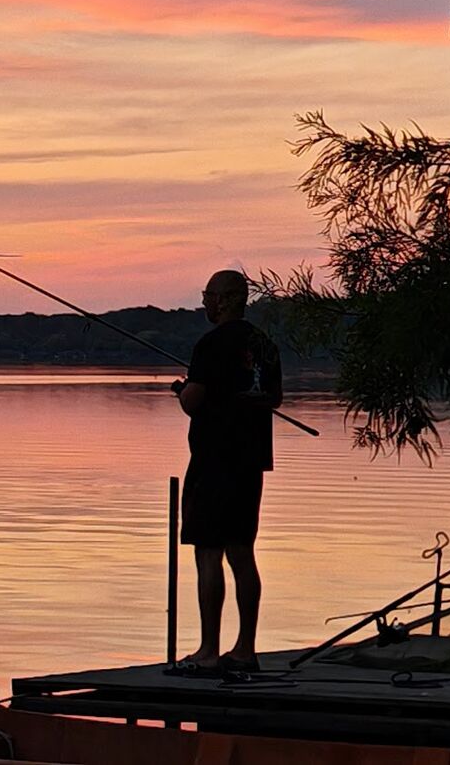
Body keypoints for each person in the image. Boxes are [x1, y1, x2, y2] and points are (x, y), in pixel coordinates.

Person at [172, 269, 282, 673]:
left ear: (226, 299)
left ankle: (208, 651)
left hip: (214, 460)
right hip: (251, 462)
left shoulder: (211, 343)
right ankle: (245, 649)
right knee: (242, 553)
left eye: (209, 295)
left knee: (208, 553)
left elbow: (192, 402)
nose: (204, 301)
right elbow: (274, 398)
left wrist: (184, 390)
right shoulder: (264, 344)